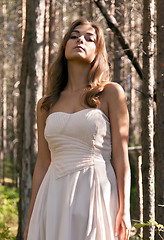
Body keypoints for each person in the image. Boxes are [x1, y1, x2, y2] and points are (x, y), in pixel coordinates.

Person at [24, 18, 131, 240]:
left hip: (95, 190)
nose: (80, 39)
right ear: (65, 47)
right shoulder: (46, 104)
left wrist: (125, 210)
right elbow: (43, 163)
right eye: (73, 36)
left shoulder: (110, 93)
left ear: (97, 51)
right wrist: (32, 217)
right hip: (53, 195)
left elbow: (121, 159)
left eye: (89, 38)